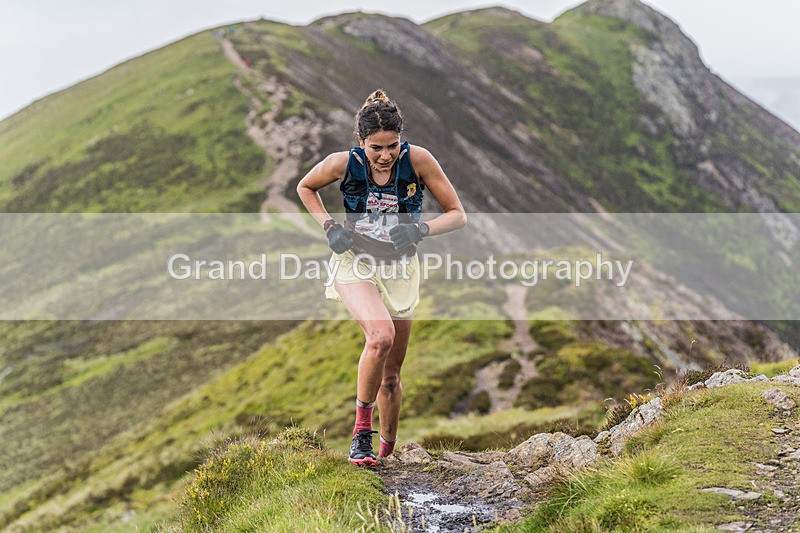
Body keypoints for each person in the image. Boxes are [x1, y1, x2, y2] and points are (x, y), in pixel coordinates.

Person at [296, 89, 467, 466]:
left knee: (391, 376)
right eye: (376, 148)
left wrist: (421, 230)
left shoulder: (418, 160)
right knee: (380, 336)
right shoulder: (341, 163)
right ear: (360, 142)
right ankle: (361, 435)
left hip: (401, 268)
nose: (385, 155)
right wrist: (328, 227)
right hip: (355, 262)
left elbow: (457, 214)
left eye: (392, 145)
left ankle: (387, 454)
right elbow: (305, 187)